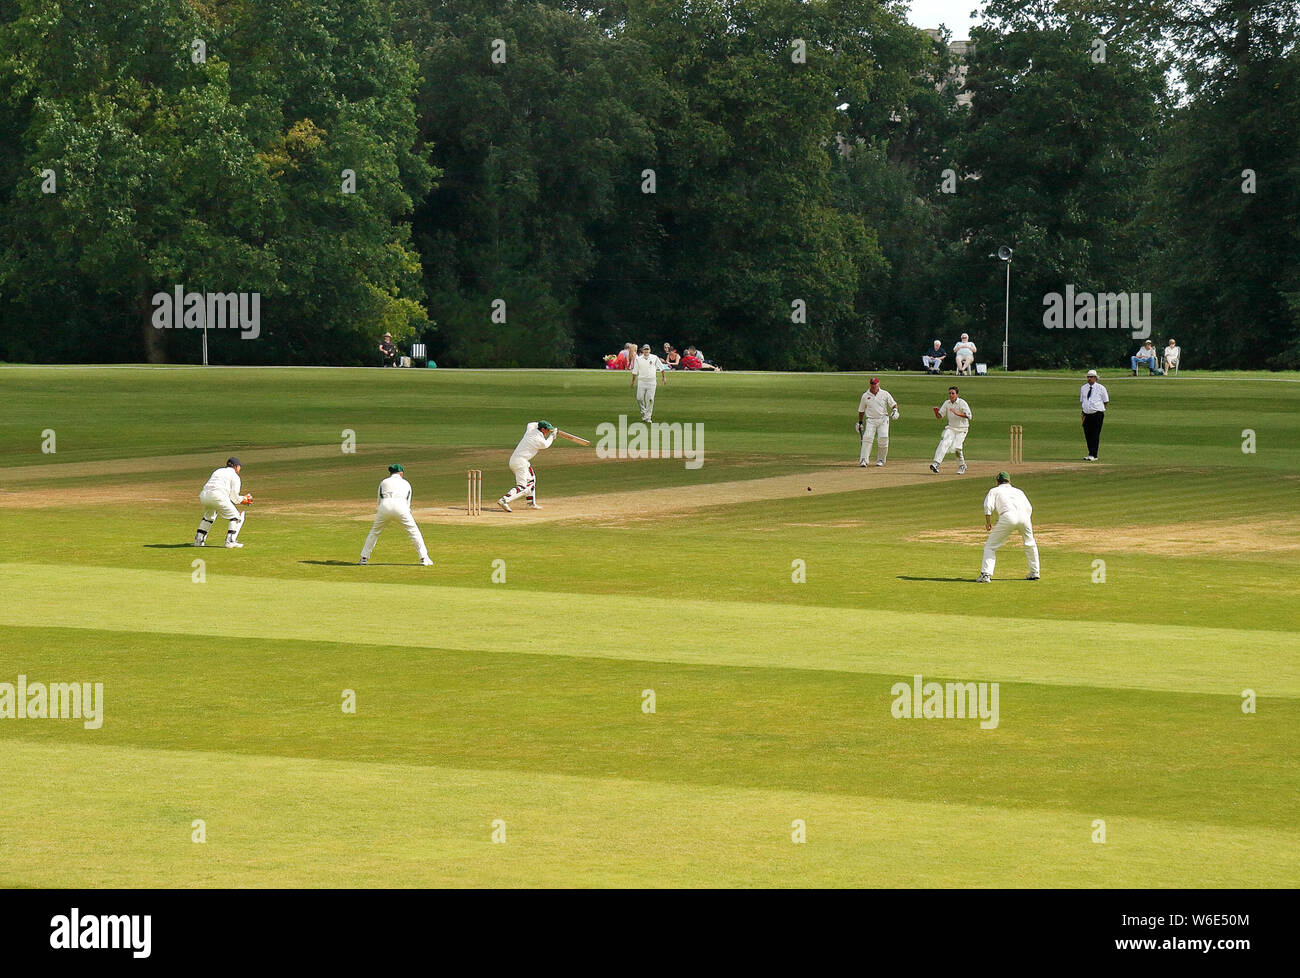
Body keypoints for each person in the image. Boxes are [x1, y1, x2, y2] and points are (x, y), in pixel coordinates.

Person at [359, 464, 433, 566]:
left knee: (374, 532)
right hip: (401, 506)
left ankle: (364, 558)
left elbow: (379, 499)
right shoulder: (406, 483)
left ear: (390, 473)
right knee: (414, 532)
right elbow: (408, 502)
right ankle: (424, 558)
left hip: (384, 506)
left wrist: (381, 511)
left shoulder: (383, 482)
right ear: (401, 473)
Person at [977, 472, 1040, 582]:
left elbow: (988, 506)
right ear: (1009, 481)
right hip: (1024, 517)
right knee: (1030, 543)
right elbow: (1029, 508)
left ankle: (985, 575)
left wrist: (988, 522)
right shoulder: (1019, 491)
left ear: (997, 481)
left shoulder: (994, 490)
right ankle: (1035, 572)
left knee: (990, 546)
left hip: (1008, 516)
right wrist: (1024, 521)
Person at [193, 456, 251, 549]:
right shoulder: (235, 476)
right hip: (217, 496)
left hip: (204, 496)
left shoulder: (218, 471)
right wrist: (244, 499)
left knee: (209, 516)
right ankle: (230, 541)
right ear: (236, 467)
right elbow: (234, 498)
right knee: (236, 516)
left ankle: (198, 540)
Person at [499, 420, 556, 512]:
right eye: (547, 430)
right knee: (523, 487)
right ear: (542, 429)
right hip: (520, 462)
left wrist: (548, 428)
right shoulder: (537, 439)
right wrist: (552, 437)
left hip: (520, 460)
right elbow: (546, 445)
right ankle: (504, 500)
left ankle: (530, 503)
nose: (548, 432)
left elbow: (531, 424)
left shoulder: (531, 429)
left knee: (531, 479)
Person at [856, 376, 899, 467]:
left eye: (875, 384)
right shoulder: (865, 396)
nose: (873, 386)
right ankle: (864, 460)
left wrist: (895, 411)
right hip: (870, 420)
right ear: (870, 385)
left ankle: (881, 459)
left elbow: (894, 404)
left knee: (883, 438)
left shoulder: (885, 393)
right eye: (872, 384)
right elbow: (861, 410)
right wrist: (860, 422)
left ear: (878, 384)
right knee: (867, 438)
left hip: (883, 419)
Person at [929, 386, 971, 474]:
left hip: (962, 429)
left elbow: (969, 416)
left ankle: (961, 466)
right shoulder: (947, 403)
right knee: (944, 442)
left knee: (956, 447)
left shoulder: (962, 403)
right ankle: (936, 464)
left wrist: (957, 413)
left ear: (957, 395)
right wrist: (936, 412)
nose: (951, 395)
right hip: (951, 428)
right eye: (950, 393)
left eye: (953, 393)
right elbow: (940, 416)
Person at [630, 343, 665, 421]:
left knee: (650, 400)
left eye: (647, 349)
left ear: (650, 350)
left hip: (651, 382)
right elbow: (635, 371)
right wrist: (633, 381)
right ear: (642, 350)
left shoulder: (654, 358)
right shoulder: (638, 359)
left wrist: (663, 378)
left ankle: (648, 417)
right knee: (639, 398)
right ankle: (644, 412)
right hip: (642, 381)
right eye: (645, 349)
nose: (646, 351)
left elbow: (662, 368)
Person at [1080, 368, 1109, 461]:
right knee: (1087, 434)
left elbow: (1106, 401)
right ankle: (1090, 453)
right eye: (1088, 377)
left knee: (1095, 434)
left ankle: (1094, 454)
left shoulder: (1101, 388)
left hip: (1097, 414)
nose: (1089, 378)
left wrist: (1099, 409)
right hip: (1086, 414)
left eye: (1091, 377)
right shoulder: (1083, 388)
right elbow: (1083, 401)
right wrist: (1084, 412)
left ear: (1096, 378)